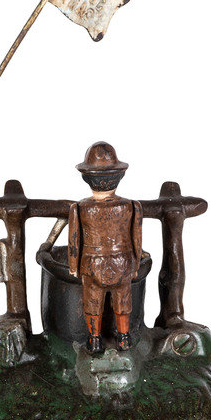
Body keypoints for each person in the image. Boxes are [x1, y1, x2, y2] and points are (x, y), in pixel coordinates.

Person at [68, 142, 142, 353]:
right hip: (123, 263)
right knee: (123, 301)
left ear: (86, 177)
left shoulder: (79, 208)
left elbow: (74, 242)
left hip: (92, 264)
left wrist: (73, 266)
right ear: (119, 176)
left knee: (92, 302)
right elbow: (137, 239)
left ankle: (94, 339)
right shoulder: (131, 206)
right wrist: (136, 264)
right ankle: (124, 338)